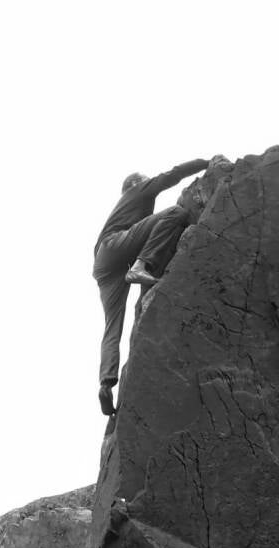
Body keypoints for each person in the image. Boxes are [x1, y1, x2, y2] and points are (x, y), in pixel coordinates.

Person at [93, 160, 209, 415]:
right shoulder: (138, 190)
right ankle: (141, 265)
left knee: (112, 325)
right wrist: (206, 162)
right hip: (116, 246)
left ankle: (106, 383)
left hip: (104, 265)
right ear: (135, 183)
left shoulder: (122, 209)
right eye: (144, 179)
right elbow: (172, 174)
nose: (147, 182)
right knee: (176, 213)